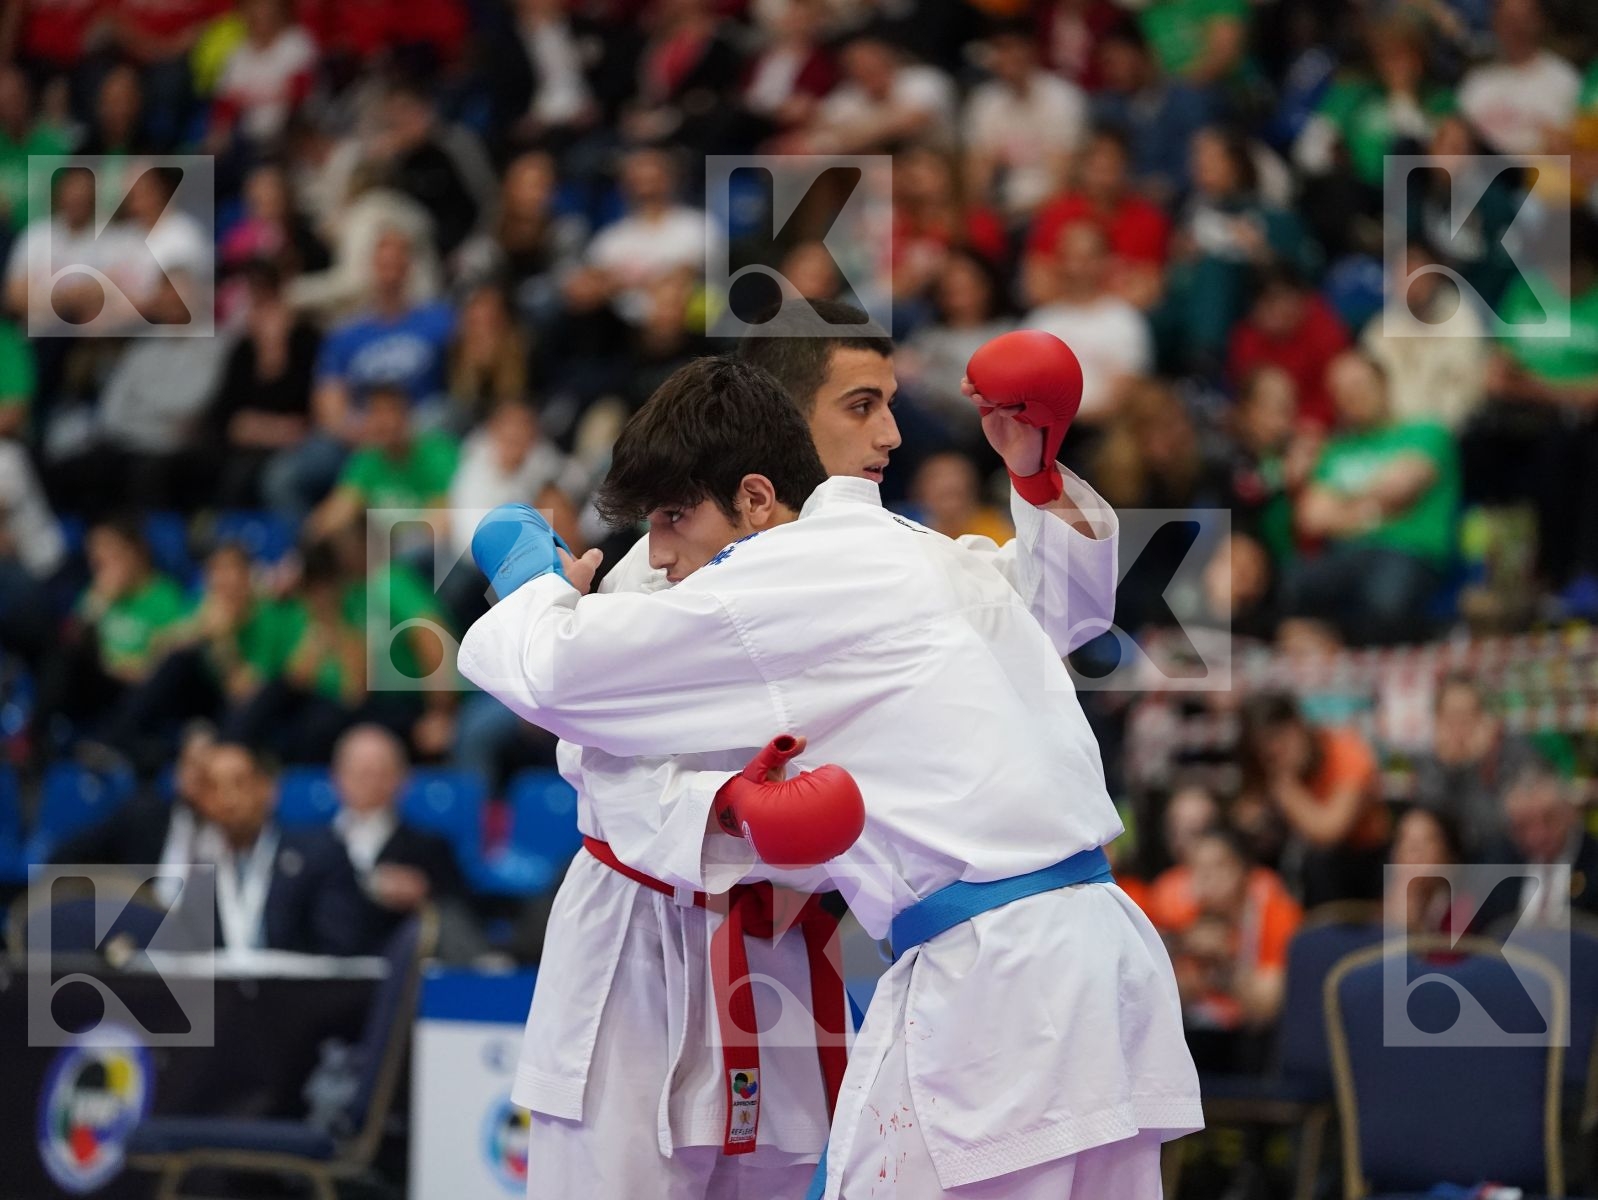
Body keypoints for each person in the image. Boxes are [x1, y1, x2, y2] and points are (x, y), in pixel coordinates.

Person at [459, 355, 1200, 1199]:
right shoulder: (683, 563)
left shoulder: (855, 556)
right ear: (787, 431)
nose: (890, 434)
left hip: (901, 956)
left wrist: (525, 585)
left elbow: (1051, 621)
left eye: (887, 404)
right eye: (861, 405)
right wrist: (723, 807)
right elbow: (589, 750)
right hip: (652, 936)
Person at [174, 740, 374, 956]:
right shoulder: (201, 866)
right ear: (201, 800)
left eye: (239, 783)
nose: (228, 799)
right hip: (222, 989)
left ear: (267, 788)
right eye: (214, 787)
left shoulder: (318, 855)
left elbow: (342, 951)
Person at [1410, 673, 1540, 861]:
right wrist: (1450, 769)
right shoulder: (1430, 761)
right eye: (1450, 716)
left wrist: (1478, 764)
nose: (1459, 727)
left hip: (1504, 862)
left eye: (1468, 716)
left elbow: (1499, 830)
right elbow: (1433, 827)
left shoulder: (1514, 754)